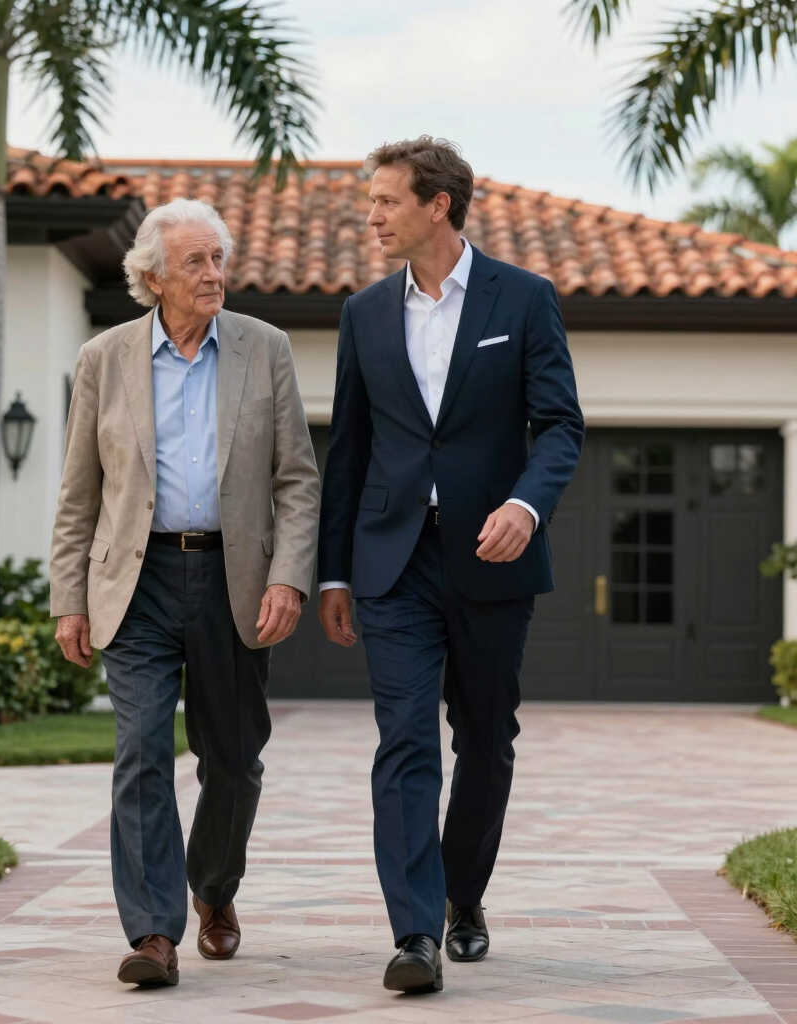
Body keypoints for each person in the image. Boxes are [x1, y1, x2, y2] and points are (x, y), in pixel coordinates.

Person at [318, 137, 584, 994]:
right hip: (394, 562)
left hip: (492, 556)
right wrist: (332, 573)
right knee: (403, 741)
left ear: (437, 205)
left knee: (486, 741)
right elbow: (348, 453)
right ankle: (414, 934)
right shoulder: (363, 313)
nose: (372, 215)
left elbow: (561, 427)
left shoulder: (525, 298)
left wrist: (525, 503)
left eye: (387, 200)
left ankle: (463, 895)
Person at [50, 197, 320, 988]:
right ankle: (152, 932)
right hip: (136, 581)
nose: (215, 274)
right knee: (139, 753)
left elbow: (298, 478)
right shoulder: (103, 358)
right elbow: (78, 493)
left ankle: (215, 888)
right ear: (153, 276)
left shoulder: (264, 350)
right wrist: (70, 594)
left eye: (219, 259)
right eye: (198, 262)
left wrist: (288, 577)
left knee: (233, 761)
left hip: (234, 578)